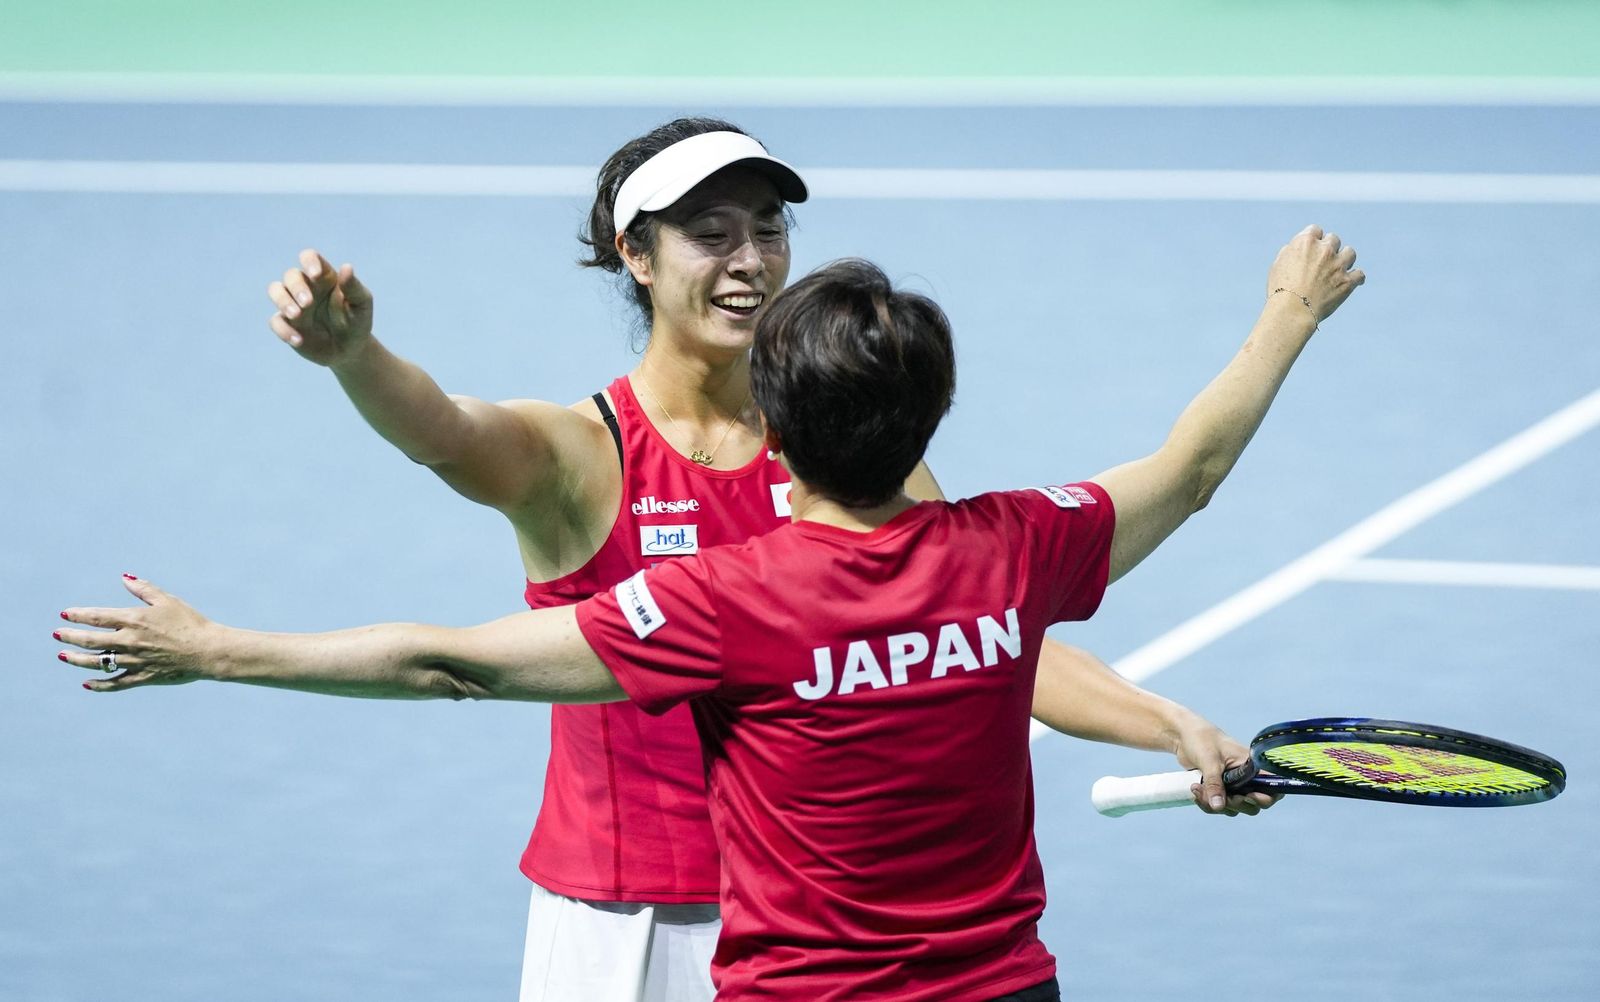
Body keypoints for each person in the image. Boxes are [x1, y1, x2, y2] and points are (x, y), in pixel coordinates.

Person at [59, 232, 1363, 1001]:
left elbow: (446, 660)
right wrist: (1289, 316)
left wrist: (221, 648)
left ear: (776, 435)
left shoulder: (729, 604)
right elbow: (1189, 468)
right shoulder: (1014, 548)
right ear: (929, 421)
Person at [249, 118, 1263, 1002]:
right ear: (635, 255)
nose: (749, 259)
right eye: (710, 234)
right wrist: (355, 359)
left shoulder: (850, 445)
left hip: (817, 938)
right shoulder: (580, 451)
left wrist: (1159, 718)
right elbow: (441, 431)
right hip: (632, 915)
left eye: (768, 230)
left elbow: (970, 631)